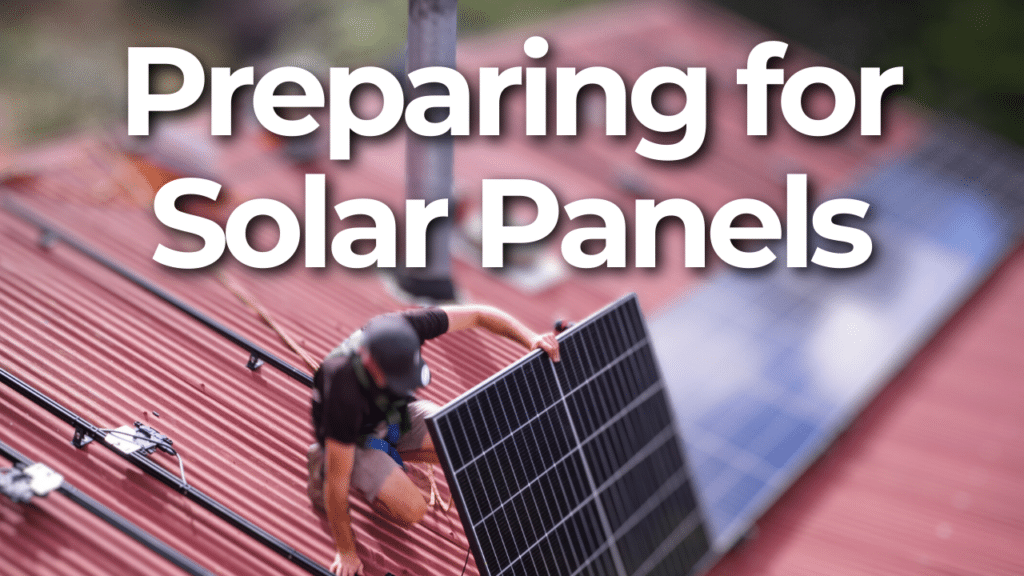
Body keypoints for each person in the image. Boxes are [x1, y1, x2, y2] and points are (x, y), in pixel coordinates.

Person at [307, 305, 560, 576]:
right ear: (370, 364)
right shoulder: (344, 393)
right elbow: (337, 484)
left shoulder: (406, 326)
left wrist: (530, 337)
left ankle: (387, 456)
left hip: (393, 416)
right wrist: (346, 551)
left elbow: (479, 315)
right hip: (354, 440)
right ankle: (323, 458)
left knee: (457, 438)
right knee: (412, 510)